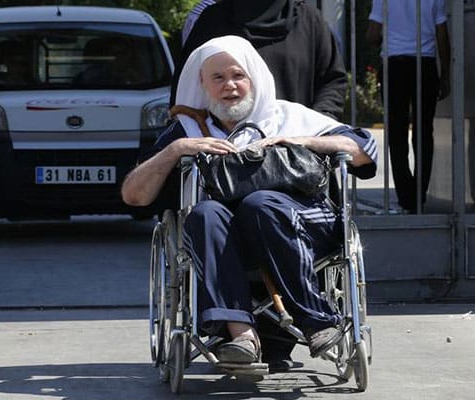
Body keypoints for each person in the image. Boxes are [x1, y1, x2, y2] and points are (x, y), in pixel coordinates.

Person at [121, 36, 377, 366]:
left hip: (302, 224)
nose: (230, 86)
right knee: (205, 212)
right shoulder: (187, 129)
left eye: (238, 75)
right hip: (227, 240)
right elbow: (134, 195)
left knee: (259, 204)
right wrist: (177, 150)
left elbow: (363, 152)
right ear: (202, 85)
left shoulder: (290, 116)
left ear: (254, 77)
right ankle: (240, 334)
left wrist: (303, 142)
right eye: (218, 78)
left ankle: (317, 320)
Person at [172, 0, 347, 121]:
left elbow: (331, 82)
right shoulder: (213, 21)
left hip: (296, 154)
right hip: (223, 154)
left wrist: (314, 126)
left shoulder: (309, 22)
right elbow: (189, 84)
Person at [366, 0, 450, 214]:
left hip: (394, 65)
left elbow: (373, 34)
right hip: (425, 64)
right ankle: (420, 193)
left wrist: (387, 37)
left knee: (397, 132)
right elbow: (442, 35)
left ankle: (406, 197)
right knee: (423, 132)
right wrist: (446, 75)